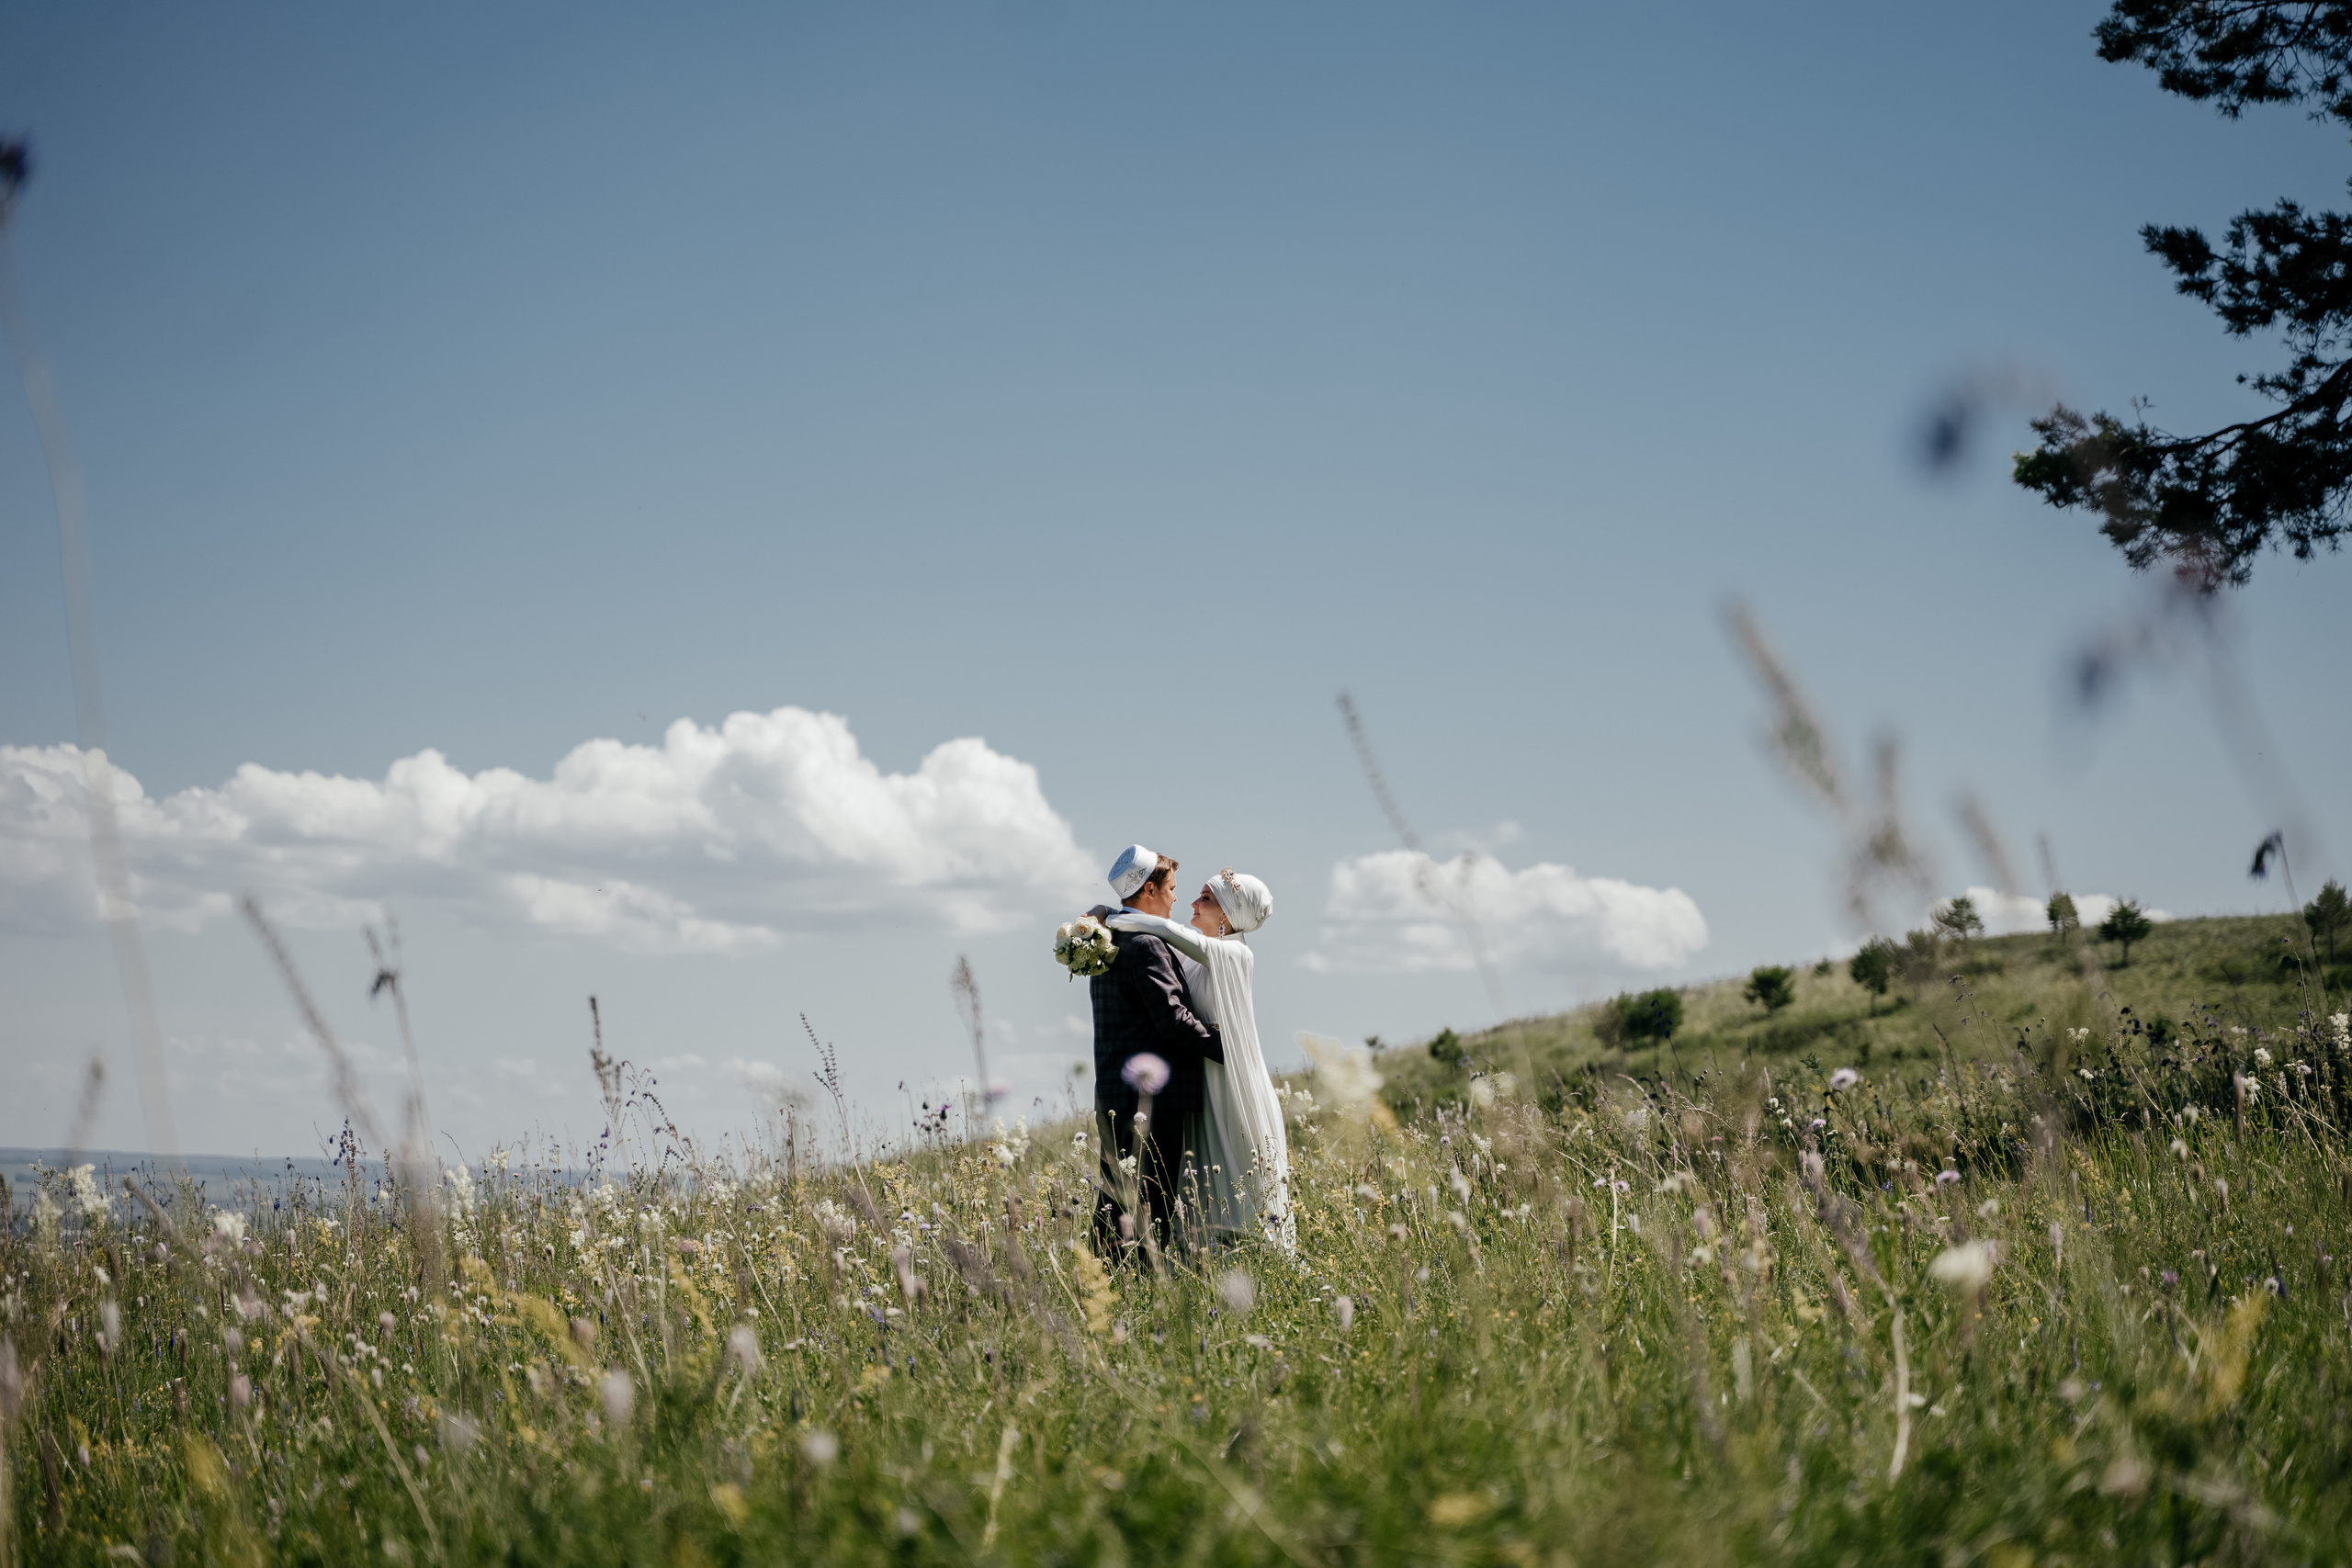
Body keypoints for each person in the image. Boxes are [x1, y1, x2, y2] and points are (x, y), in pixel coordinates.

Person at [1101, 867, 1293, 1252]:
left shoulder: (1235, 954)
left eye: (1205, 898)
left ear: (1227, 915)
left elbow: (1167, 931)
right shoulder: (1194, 956)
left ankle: (1258, 1258)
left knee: (1237, 1174)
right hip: (1203, 1078)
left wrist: (1106, 916)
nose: (1191, 902)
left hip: (1229, 1082)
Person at [1091, 843, 1223, 1252]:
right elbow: (1172, 1019)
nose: (1176, 898)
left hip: (1114, 1092)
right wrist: (1231, 1048)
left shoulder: (1106, 939)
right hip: (1151, 1097)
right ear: (1149, 890)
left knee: (1118, 1201)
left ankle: (1103, 1281)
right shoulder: (1146, 945)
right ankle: (1138, 1287)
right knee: (1151, 1202)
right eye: (1171, 889)